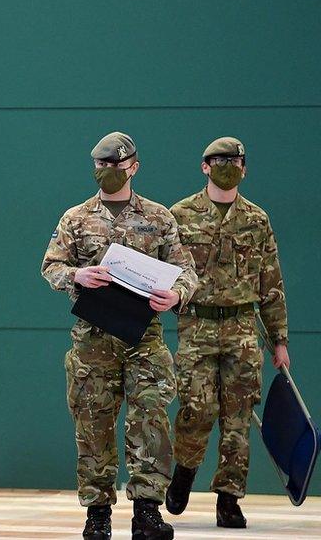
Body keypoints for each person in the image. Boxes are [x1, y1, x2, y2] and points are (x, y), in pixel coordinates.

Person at [41, 131, 198, 540]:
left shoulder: (160, 217)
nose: (109, 172)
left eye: (116, 165)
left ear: (134, 166)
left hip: (143, 338)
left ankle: (147, 510)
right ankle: (97, 513)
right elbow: (51, 266)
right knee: (93, 425)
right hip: (93, 341)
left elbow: (187, 271)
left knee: (149, 419)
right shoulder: (75, 218)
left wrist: (177, 293)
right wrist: (77, 274)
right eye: (102, 165)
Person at [165, 137, 290, 528]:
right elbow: (163, 268)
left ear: (245, 168)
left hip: (241, 327)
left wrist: (280, 340)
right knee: (196, 410)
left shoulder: (257, 219)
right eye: (219, 160)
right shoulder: (180, 215)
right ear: (204, 166)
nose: (228, 165)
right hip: (197, 325)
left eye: (235, 160)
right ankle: (184, 472)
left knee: (238, 418)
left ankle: (229, 498)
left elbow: (271, 283)